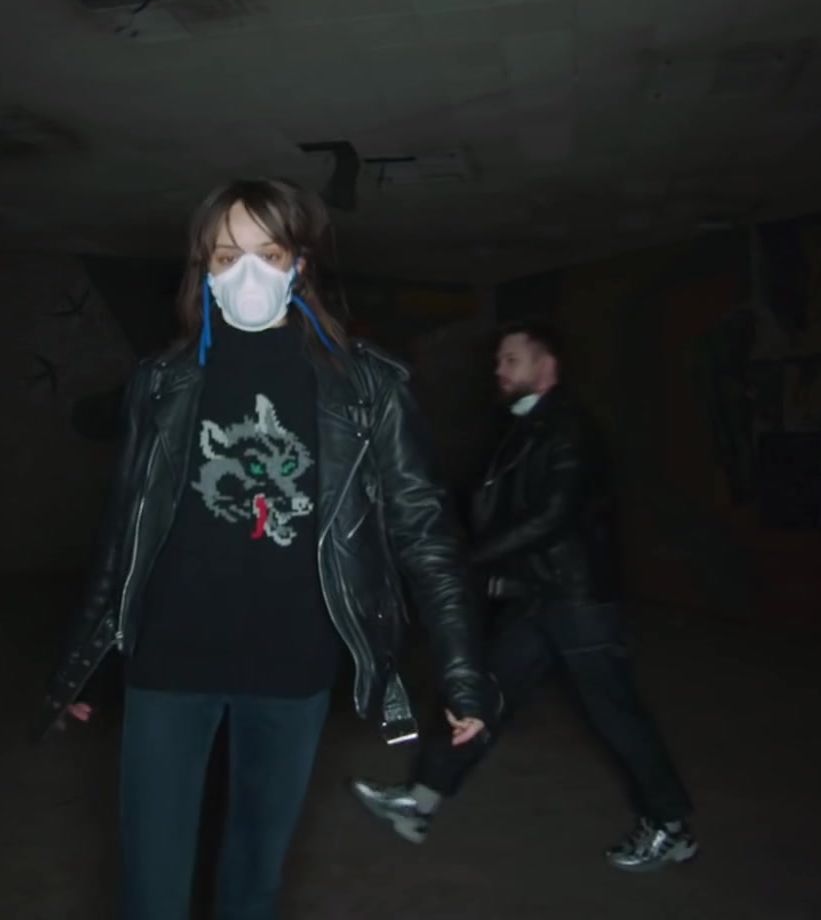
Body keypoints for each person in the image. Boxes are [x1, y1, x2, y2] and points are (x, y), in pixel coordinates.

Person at [34, 178, 496, 920]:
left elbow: (425, 532)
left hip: (291, 666)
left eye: (268, 252)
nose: (247, 273)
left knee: (254, 870)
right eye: (226, 256)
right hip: (169, 661)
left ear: (299, 263)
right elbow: (124, 533)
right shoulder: (161, 383)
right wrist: (85, 663)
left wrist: (463, 670)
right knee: (151, 878)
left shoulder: (366, 387)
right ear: (204, 269)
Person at [348, 321, 697, 872]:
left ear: (546, 365)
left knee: (616, 716)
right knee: (479, 696)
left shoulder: (569, 429)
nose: (499, 370)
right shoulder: (528, 425)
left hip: (577, 601)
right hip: (537, 597)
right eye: (499, 360)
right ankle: (421, 801)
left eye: (511, 359)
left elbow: (552, 516)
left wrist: (471, 558)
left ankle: (670, 827)